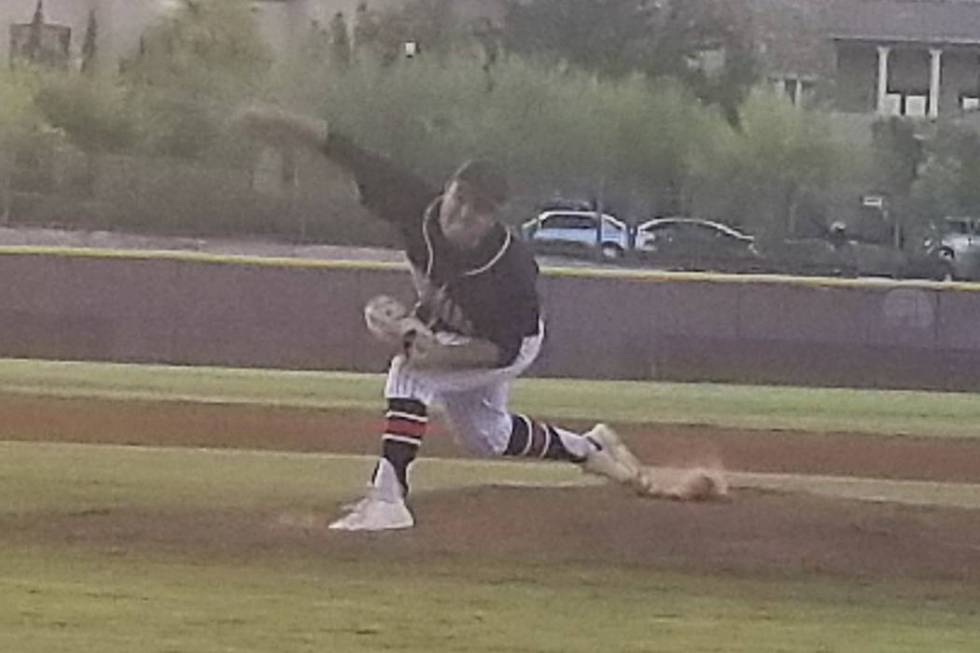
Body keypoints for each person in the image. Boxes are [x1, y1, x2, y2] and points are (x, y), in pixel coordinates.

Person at [236, 106, 649, 531]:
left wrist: (428, 350)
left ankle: (389, 498)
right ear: (447, 191)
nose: (465, 212)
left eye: (480, 208)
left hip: (507, 344)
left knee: (411, 373)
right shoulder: (414, 203)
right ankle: (588, 447)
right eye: (461, 197)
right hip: (453, 329)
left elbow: (500, 348)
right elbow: (343, 149)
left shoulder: (511, 270)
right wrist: (279, 121)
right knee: (487, 437)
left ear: (493, 220)